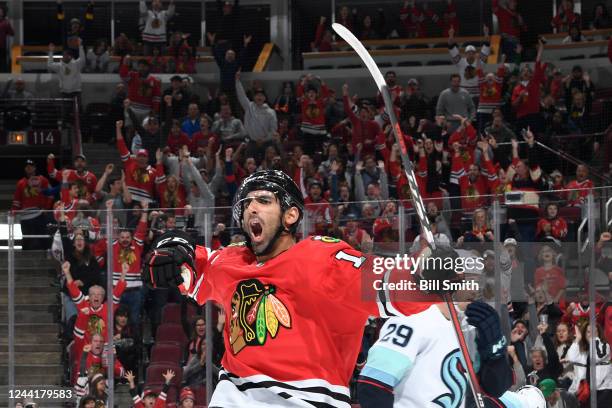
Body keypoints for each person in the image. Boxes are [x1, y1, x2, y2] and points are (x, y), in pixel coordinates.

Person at [143, 169, 451, 406]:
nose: (251, 208)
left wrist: (431, 274)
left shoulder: (322, 259)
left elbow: (388, 283)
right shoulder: (232, 261)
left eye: (263, 200)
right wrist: (170, 248)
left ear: (291, 215)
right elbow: (181, 265)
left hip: (306, 400)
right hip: (233, 396)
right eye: (246, 203)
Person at [357, 298, 546, 407]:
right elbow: (373, 385)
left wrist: (495, 348)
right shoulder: (412, 321)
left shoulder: (473, 331)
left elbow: (494, 389)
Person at [235, 71, 277, 161]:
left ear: (264, 98)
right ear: (254, 97)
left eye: (261, 95)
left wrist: (264, 139)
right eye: (257, 95)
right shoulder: (249, 107)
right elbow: (241, 96)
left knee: (271, 162)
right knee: (248, 161)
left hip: (267, 142)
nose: (259, 97)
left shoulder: (271, 112)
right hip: (252, 142)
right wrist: (237, 82)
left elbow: (273, 130)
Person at [12, 159, 52, 250]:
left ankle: (47, 259)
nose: (29, 168)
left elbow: (50, 195)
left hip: (39, 214)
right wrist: (13, 213)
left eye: (31, 166)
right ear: (25, 169)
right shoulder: (21, 183)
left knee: (43, 238)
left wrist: (46, 208)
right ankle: (25, 260)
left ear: (35, 168)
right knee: (26, 239)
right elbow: (17, 201)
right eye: (27, 166)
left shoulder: (43, 180)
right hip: (25, 216)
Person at [0, 6, 14, 72]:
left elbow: (12, 33)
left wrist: (8, 24)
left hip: (2, 47)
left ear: (2, 13)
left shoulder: (5, 22)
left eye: (0, 12)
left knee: (2, 65)